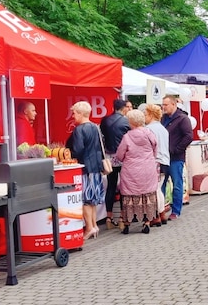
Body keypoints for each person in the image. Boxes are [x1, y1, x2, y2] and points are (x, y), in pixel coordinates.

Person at [113, 110, 160, 235]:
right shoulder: (149, 133)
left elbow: (119, 155)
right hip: (148, 168)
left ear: (130, 122)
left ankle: (127, 223)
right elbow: (155, 148)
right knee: (147, 194)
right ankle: (147, 222)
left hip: (131, 170)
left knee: (129, 196)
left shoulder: (127, 137)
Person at [66, 101, 105, 240]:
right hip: (96, 167)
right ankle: (94, 225)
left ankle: (89, 227)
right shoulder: (95, 127)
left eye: (75, 113)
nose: (73, 115)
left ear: (81, 113)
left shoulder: (79, 129)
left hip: (85, 168)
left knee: (86, 199)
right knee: (93, 200)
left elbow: (78, 150)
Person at [161, 95, 194, 220]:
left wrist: (177, 149)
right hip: (164, 157)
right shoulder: (163, 118)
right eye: (163, 105)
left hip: (176, 158)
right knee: (161, 184)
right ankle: (161, 210)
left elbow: (188, 137)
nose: (163, 107)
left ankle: (176, 211)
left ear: (173, 104)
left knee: (177, 184)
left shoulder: (182, 119)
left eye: (166, 105)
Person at [100, 99, 131, 229]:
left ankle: (108, 217)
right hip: (123, 157)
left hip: (109, 157)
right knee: (124, 187)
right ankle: (122, 219)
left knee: (111, 187)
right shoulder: (126, 121)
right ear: (123, 108)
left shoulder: (105, 120)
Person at [144, 103, 171, 225]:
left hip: (155, 162)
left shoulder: (149, 129)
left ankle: (158, 215)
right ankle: (161, 214)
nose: (144, 117)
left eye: (145, 114)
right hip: (165, 161)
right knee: (158, 188)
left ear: (150, 115)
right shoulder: (163, 129)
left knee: (155, 190)